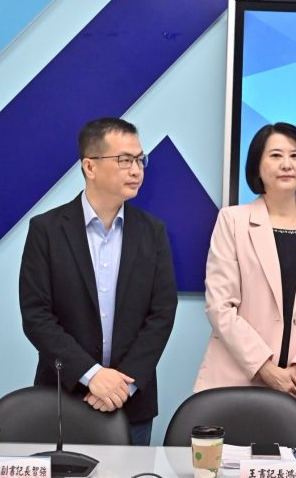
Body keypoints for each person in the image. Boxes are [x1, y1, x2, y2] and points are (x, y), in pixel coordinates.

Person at [19, 117, 178, 446]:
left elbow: (162, 313)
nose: (136, 170)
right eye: (125, 160)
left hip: (131, 401)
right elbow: (36, 315)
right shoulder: (46, 230)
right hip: (62, 397)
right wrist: (91, 375)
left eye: (140, 160)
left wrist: (122, 385)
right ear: (89, 166)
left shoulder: (152, 232)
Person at [195, 123, 296, 436]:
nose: (287, 164)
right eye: (276, 155)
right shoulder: (232, 220)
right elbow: (220, 306)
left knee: (295, 461)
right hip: (237, 380)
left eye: (295, 155)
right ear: (257, 165)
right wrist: (265, 368)